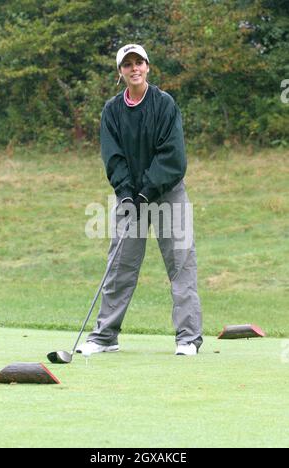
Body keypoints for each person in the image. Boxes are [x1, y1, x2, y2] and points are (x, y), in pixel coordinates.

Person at [77, 44, 203, 356]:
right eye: (127, 65)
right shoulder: (112, 111)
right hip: (130, 196)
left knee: (181, 264)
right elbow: (113, 156)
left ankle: (188, 339)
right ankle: (105, 337)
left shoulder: (164, 104)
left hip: (167, 192)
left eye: (139, 63)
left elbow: (172, 155)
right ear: (120, 72)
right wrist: (127, 194)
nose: (134, 69)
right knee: (120, 265)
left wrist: (147, 190)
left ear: (147, 67)